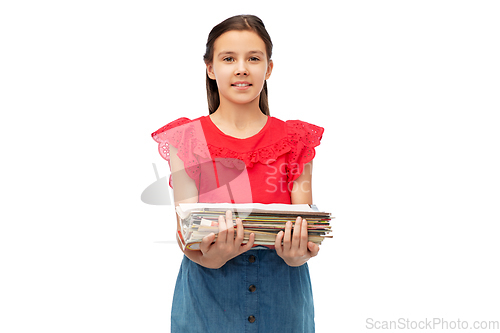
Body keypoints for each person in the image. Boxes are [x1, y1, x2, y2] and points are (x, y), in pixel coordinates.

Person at [151, 14, 324, 332]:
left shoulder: (295, 140)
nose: (241, 68)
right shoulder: (187, 139)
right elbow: (185, 236)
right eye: (229, 58)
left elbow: (306, 231)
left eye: (253, 58)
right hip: (208, 298)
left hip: (283, 296)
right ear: (211, 68)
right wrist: (212, 259)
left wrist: (298, 254)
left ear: (268, 68)